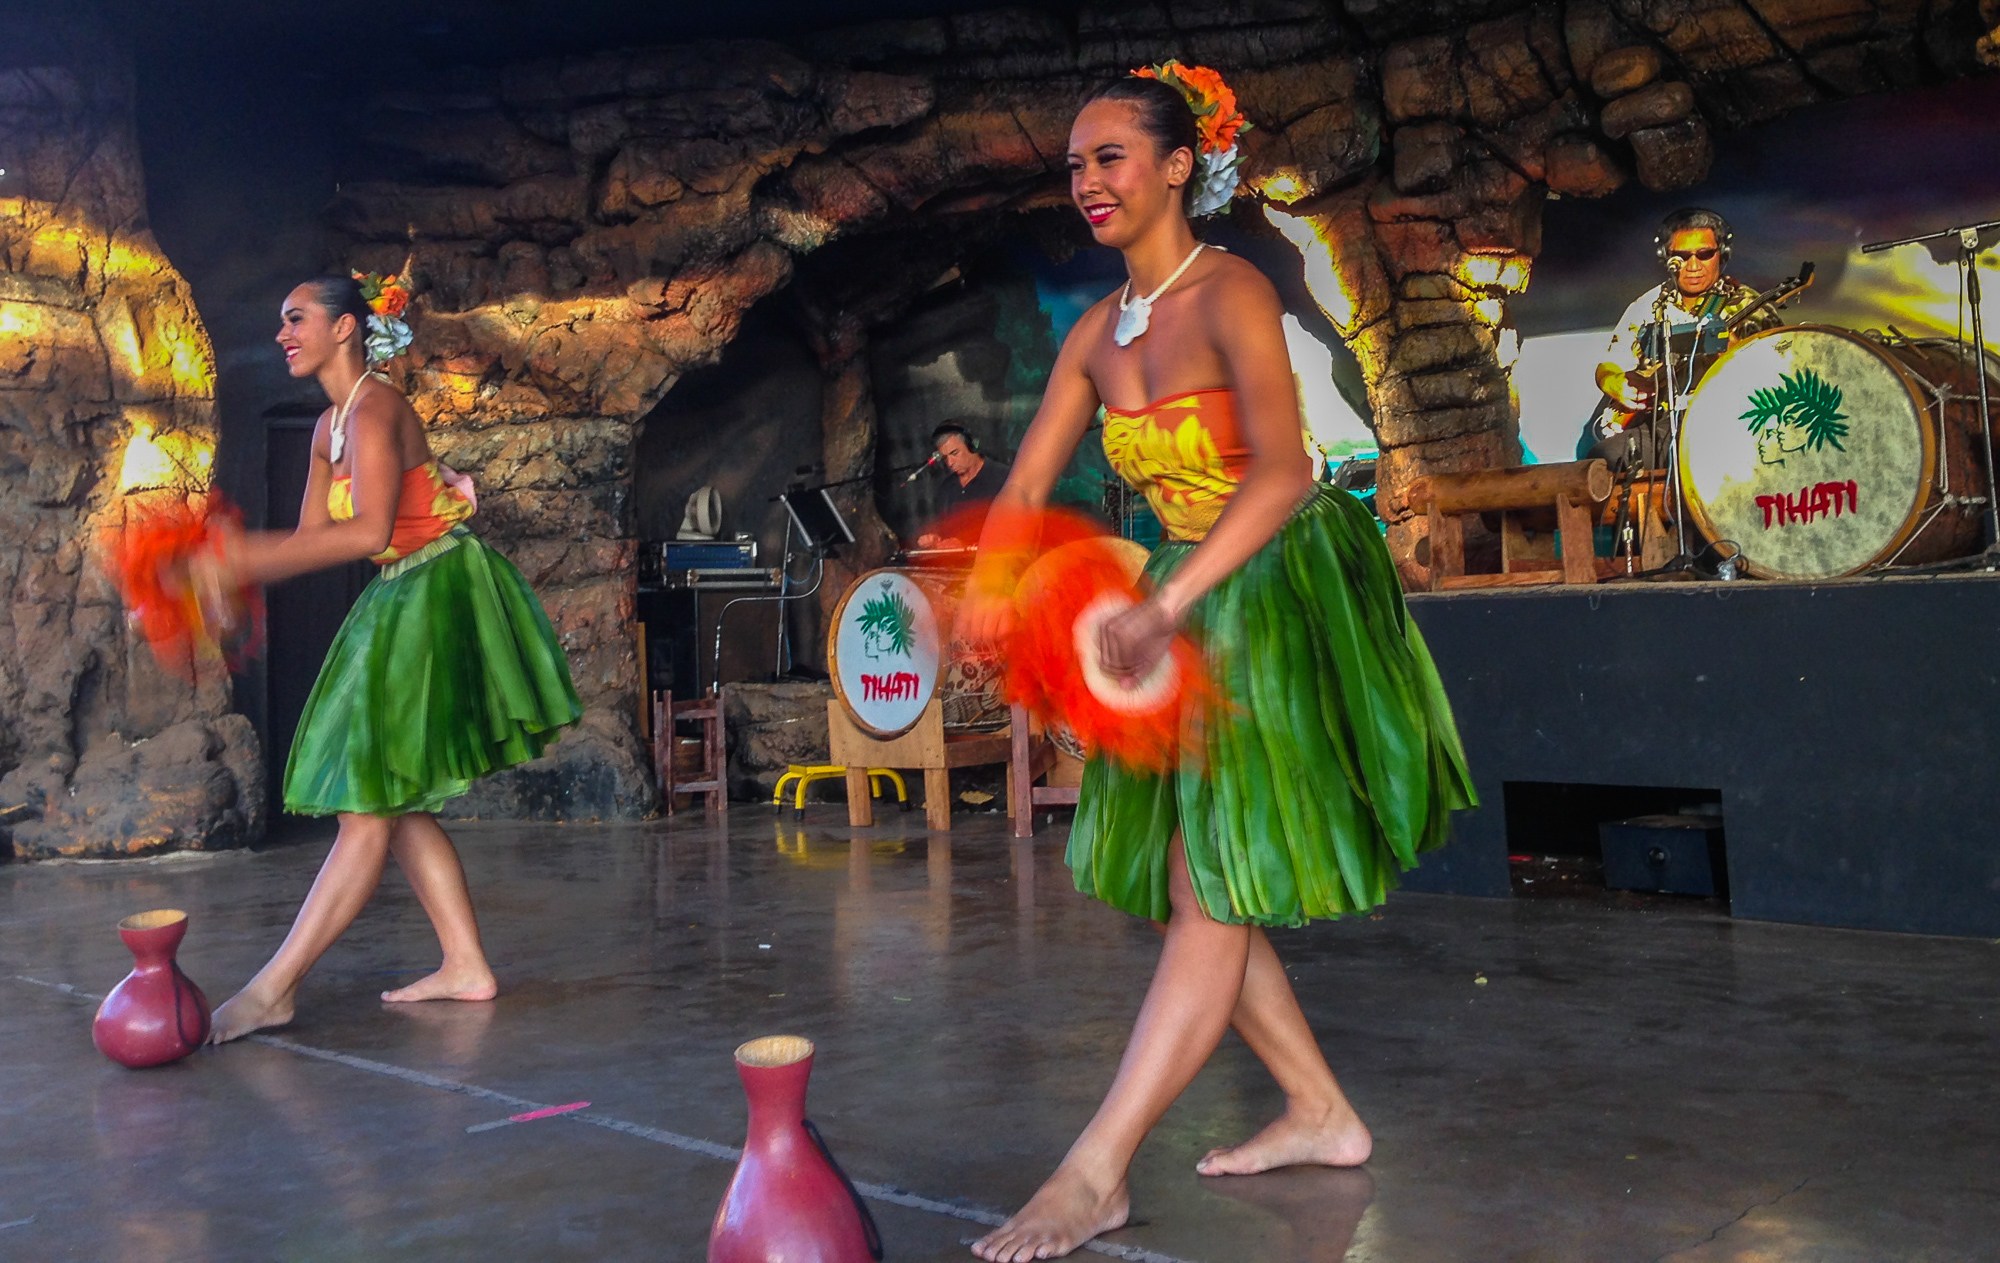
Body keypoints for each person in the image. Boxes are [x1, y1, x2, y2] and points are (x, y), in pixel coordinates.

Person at [958, 65, 1475, 1260]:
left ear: (1178, 163)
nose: (1084, 181)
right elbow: (1028, 482)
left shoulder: (1231, 288)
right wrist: (987, 594)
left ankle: (1093, 1172)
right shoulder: (1095, 333)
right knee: (1206, 886)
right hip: (1185, 600)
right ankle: (1320, 1110)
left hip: (1280, 585)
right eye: (1074, 164)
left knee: (1206, 885)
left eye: (1108, 158)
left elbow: (1285, 472)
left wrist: (1167, 602)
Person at [204, 274, 582, 1044]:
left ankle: (275, 987)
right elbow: (315, 542)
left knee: (367, 805)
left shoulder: (378, 409)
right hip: (398, 595)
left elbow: (371, 529)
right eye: (282, 321)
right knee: (394, 796)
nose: (283, 333)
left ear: (346, 328)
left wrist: (238, 559)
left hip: (438, 588)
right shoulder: (325, 429)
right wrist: (230, 572)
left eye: (296, 318)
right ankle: (466, 963)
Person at [1581, 206, 1777, 470]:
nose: (1693, 265)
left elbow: (1778, 372)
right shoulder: (1648, 305)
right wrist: (1615, 382)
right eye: (1681, 256)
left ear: (1722, 254)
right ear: (1666, 257)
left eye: (1705, 254)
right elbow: (1608, 365)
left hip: (1727, 418)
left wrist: (1734, 355)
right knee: (1603, 457)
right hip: (1661, 424)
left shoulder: (1749, 305)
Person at [915, 422, 1010, 548]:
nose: (950, 463)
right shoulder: (947, 488)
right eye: (945, 458)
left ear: (973, 446)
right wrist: (936, 540)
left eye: (954, 453)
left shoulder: (1005, 478)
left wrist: (966, 544)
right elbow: (944, 532)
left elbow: (1012, 532)